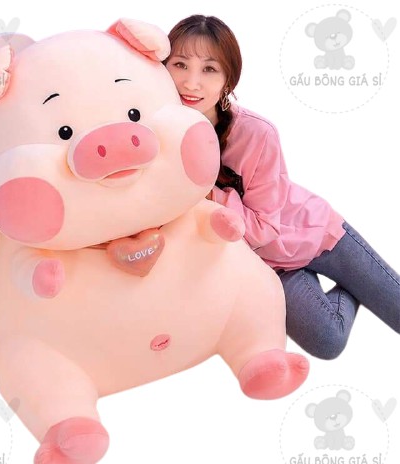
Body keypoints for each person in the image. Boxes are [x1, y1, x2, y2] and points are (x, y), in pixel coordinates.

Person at [164, 14, 400, 359]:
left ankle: (359, 280)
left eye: (209, 69)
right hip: (268, 264)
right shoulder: (159, 133)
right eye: (180, 64)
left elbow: (265, 228)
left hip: (311, 233)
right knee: (327, 342)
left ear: (228, 79)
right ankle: (355, 289)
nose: (191, 82)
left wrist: (208, 193)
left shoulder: (256, 133)